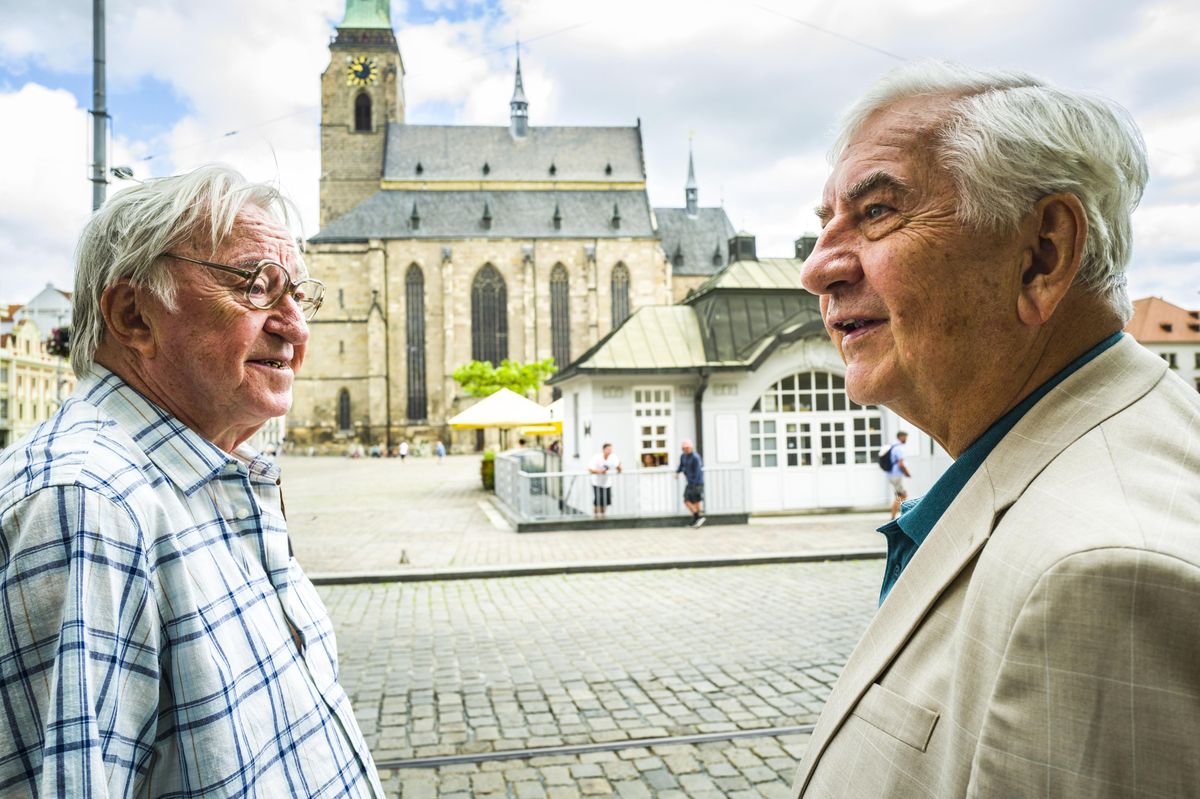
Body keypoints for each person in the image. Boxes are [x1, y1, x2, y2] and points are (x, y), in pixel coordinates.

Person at [791, 61, 1200, 798]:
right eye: (824, 225)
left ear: (1042, 255)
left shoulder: (1099, 576)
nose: (816, 268)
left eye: (877, 212)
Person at [0, 166, 385, 796]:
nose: (296, 325)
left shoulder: (200, 478)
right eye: (257, 288)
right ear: (134, 316)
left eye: (300, 296)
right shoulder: (89, 505)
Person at [675, 439, 705, 527]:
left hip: (697, 482)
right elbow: (681, 466)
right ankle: (698, 518)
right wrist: (677, 472)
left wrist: (695, 484)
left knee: (696, 501)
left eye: (688, 448)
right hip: (690, 482)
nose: (686, 450)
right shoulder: (683, 456)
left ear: (691, 448)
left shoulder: (695, 457)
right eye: (685, 448)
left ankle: (697, 519)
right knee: (686, 500)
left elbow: (698, 472)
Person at [881, 430, 910, 519]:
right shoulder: (899, 448)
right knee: (902, 496)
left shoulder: (892, 445)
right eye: (905, 437)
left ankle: (897, 516)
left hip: (891, 475)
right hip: (896, 475)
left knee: (900, 495)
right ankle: (896, 517)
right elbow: (901, 464)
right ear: (901, 437)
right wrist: (907, 473)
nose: (906, 439)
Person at [587, 442, 621, 516]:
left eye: (610, 449)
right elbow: (590, 469)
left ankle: (603, 517)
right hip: (596, 483)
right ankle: (596, 517)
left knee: (605, 502)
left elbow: (618, 466)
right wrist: (599, 471)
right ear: (603, 449)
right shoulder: (596, 457)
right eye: (608, 449)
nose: (609, 451)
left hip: (607, 483)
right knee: (598, 502)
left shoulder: (613, 457)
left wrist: (619, 467)